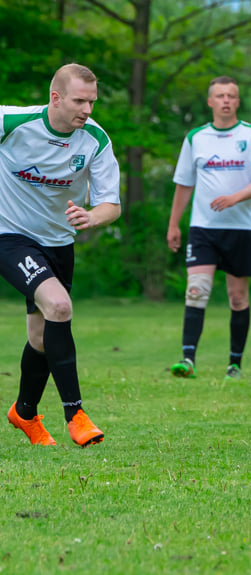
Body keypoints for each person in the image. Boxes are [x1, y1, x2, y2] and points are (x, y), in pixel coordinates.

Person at [1, 63, 121, 447]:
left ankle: (24, 412)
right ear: (56, 98)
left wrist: (91, 216)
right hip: (10, 236)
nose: (87, 110)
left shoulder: (95, 141)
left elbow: (111, 206)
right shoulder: (12, 122)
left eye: (92, 101)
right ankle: (76, 414)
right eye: (79, 101)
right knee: (59, 306)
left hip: (58, 244)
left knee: (40, 338)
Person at [166, 76, 251, 381]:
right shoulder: (196, 137)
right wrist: (174, 224)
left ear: (238, 102)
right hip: (203, 228)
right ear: (210, 102)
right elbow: (184, 183)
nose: (226, 100)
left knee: (237, 297)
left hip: (240, 229)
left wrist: (235, 198)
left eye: (231, 96)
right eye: (220, 95)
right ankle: (187, 360)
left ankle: (234, 364)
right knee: (196, 290)